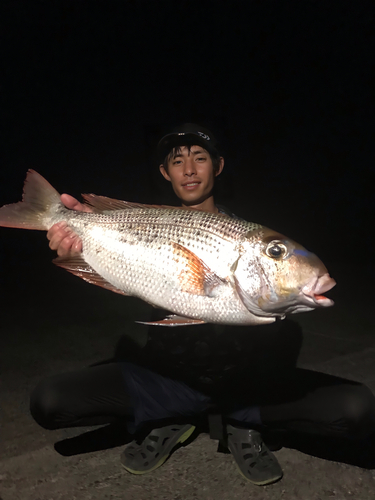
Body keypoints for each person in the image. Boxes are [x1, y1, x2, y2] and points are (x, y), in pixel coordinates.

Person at [30, 123, 375, 486]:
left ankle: (241, 423)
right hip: (168, 380)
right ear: (166, 173)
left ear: (218, 166)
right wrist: (78, 245)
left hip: (245, 387)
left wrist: (288, 299)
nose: (190, 169)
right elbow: (125, 281)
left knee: (358, 408)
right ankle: (172, 418)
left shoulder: (245, 230)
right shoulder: (145, 221)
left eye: (200, 158)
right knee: (50, 400)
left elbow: (274, 313)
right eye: (177, 161)